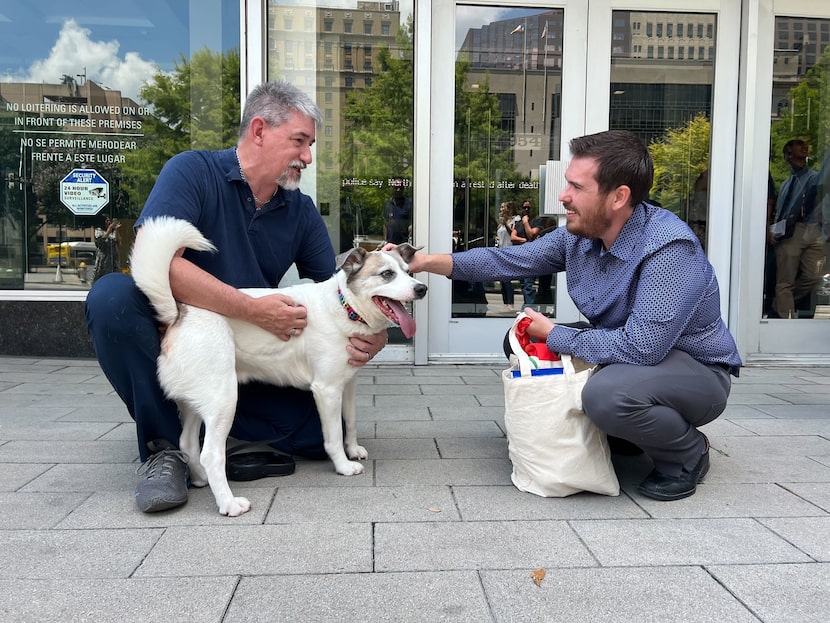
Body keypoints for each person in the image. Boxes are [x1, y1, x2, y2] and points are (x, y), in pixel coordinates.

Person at [85, 81, 387, 513]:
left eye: (311, 145)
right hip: (183, 338)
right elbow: (159, 260)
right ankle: (165, 449)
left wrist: (372, 335)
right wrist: (252, 310)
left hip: (252, 358)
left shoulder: (300, 211)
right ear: (260, 130)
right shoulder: (192, 171)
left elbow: (340, 296)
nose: (308, 157)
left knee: (321, 429)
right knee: (111, 297)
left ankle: (220, 430)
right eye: (299, 142)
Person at [398, 129, 742, 501]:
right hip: (633, 357)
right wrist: (424, 262)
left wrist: (556, 334)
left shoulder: (669, 249)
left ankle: (688, 452)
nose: (564, 196)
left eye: (577, 187)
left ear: (618, 197)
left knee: (606, 396)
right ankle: (627, 431)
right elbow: (507, 259)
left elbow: (643, 348)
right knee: (524, 340)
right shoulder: (580, 236)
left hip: (693, 372)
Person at [769, 139, 825, 319]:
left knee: (814, 276)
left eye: (804, 146)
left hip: (813, 229)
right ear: (788, 155)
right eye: (797, 145)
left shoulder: (815, 178)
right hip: (789, 232)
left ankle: (781, 303)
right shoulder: (786, 183)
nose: (804, 148)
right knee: (785, 279)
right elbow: (781, 210)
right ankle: (786, 319)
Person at [510, 199, 538, 307]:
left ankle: (529, 306)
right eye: (524, 208)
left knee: (528, 284)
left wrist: (526, 222)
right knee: (523, 283)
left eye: (528, 208)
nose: (526, 210)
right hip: (520, 256)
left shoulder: (536, 221)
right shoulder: (518, 223)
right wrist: (525, 241)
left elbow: (531, 234)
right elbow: (513, 237)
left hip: (531, 257)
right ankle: (527, 305)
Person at [496, 201, 517, 311]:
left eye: (503, 207)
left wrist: (505, 224)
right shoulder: (501, 222)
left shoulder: (515, 220)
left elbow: (512, 234)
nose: (501, 209)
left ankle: (510, 303)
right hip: (501, 251)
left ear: (509, 209)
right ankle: (505, 303)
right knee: (502, 280)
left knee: (507, 279)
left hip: (509, 251)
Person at [383, 178, 413, 244]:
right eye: (396, 187)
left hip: (404, 243)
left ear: (403, 189)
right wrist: (385, 240)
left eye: (400, 188)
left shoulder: (409, 204)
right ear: (392, 188)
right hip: (390, 243)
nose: (398, 190)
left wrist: (410, 237)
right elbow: (385, 223)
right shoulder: (388, 204)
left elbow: (413, 223)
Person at [92, 215, 121, 283]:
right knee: (100, 275)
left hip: (113, 257)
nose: (109, 222)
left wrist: (116, 229)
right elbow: (101, 241)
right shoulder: (98, 231)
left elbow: (118, 241)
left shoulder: (112, 231)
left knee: (114, 276)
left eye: (109, 221)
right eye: (107, 220)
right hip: (103, 257)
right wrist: (109, 229)